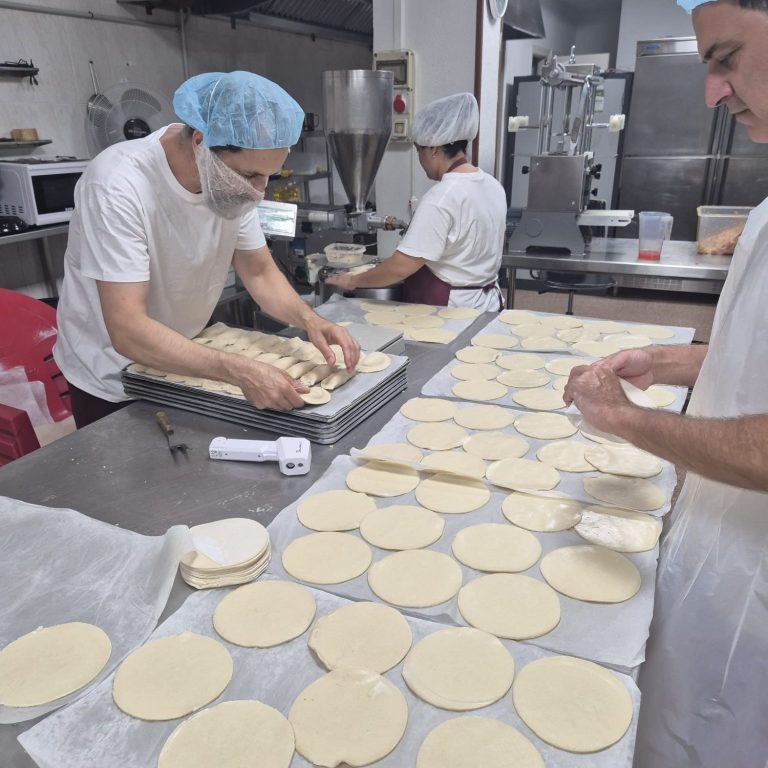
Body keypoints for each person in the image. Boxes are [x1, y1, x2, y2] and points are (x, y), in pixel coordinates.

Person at [563, 2, 768, 765]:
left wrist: (627, 421)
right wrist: (675, 363)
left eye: (725, 57)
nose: (713, 92)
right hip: (715, 551)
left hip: (753, 597)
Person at [54, 71, 359, 428]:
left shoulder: (229, 184)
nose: (259, 192)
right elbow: (128, 329)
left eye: (269, 177)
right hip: (113, 377)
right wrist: (236, 369)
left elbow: (259, 273)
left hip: (184, 357)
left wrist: (311, 320)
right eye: (250, 176)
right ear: (200, 142)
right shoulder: (117, 186)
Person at [326, 92, 507, 310]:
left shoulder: (442, 197)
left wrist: (352, 281)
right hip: (488, 305)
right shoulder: (493, 185)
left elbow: (400, 267)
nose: (420, 159)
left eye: (419, 149)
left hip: (451, 312)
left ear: (433, 148)